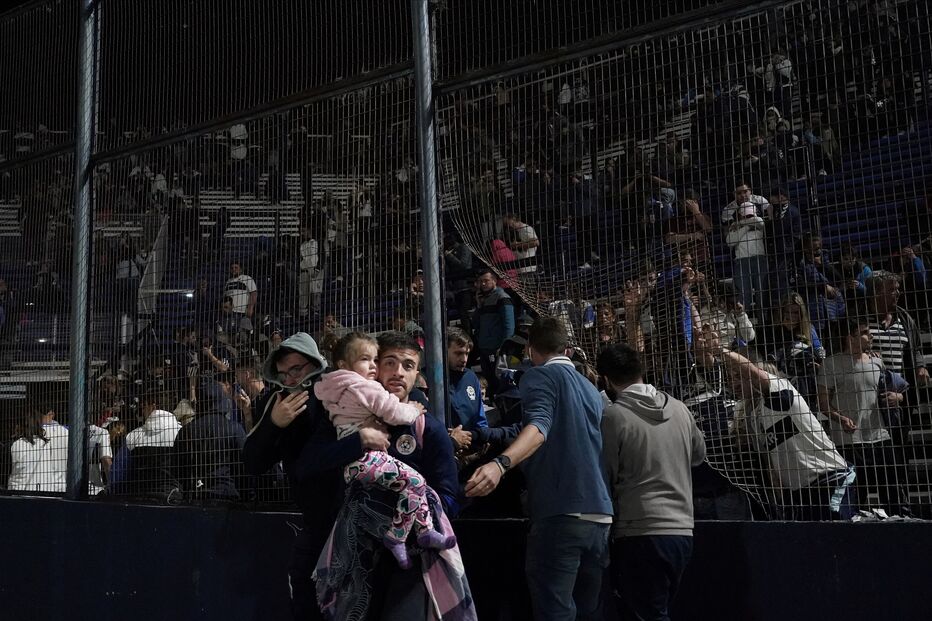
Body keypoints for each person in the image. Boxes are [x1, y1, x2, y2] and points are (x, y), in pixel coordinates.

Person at [313, 331, 473, 621]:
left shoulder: (429, 428)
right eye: (390, 362)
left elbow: (450, 497)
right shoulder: (342, 418)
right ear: (374, 367)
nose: (399, 372)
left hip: (408, 564)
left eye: (409, 366)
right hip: (355, 555)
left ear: (416, 374)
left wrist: (397, 518)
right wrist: (358, 440)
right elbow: (308, 465)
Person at [466, 317, 613, 621]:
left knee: (554, 613)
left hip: (560, 513)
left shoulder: (538, 377)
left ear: (531, 350)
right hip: (600, 515)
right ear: (567, 350)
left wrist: (500, 463)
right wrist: (488, 435)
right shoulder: (590, 387)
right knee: (588, 613)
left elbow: (539, 428)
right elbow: (535, 428)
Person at [597, 343, 706, 621]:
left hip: (639, 532)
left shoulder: (614, 416)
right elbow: (698, 456)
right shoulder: (681, 409)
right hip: (682, 532)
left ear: (607, 379)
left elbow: (605, 474)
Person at [721, 347, 853, 520]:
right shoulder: (754, 416)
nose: (734, 384)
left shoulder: (781, 390)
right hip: (799, 492)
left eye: (738, 376)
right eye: (730, 379)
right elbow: (771, 463)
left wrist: (720, 350)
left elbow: (754, 373)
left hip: (829, 478)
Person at [7, 405, 69, 493]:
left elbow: (15, 474)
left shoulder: (17, 444)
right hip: (49, 492)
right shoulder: (47, 443)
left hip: (22, 494)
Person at [474, 267, 515, 397]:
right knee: (488, 380)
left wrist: (504, 346)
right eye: (481, 281)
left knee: (498, 381)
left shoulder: (502, 298)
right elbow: (476, 323)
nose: (483, 284)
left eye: (486, 280)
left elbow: (509, 324)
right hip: (484, 346)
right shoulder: (483, 299)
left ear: (494, 281)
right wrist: (479, 306)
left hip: (496, 348)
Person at [446, 327, 489, 445]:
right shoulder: (431, 379)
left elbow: (480, 418)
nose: (464, 359)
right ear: (444, 351)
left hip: (471, 443)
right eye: (458, 353)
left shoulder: (471, 377)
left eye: (467, 354)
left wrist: (483, 437)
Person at [223, 261, 258, 327]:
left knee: (243, 332)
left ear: (241, 269)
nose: (233, 269)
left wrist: (250, 307)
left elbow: (253, 293)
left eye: (236, 267)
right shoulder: (228, 281)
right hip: (230, 312)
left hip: (242, 312)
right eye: (232, 268)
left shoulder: (247, 278)